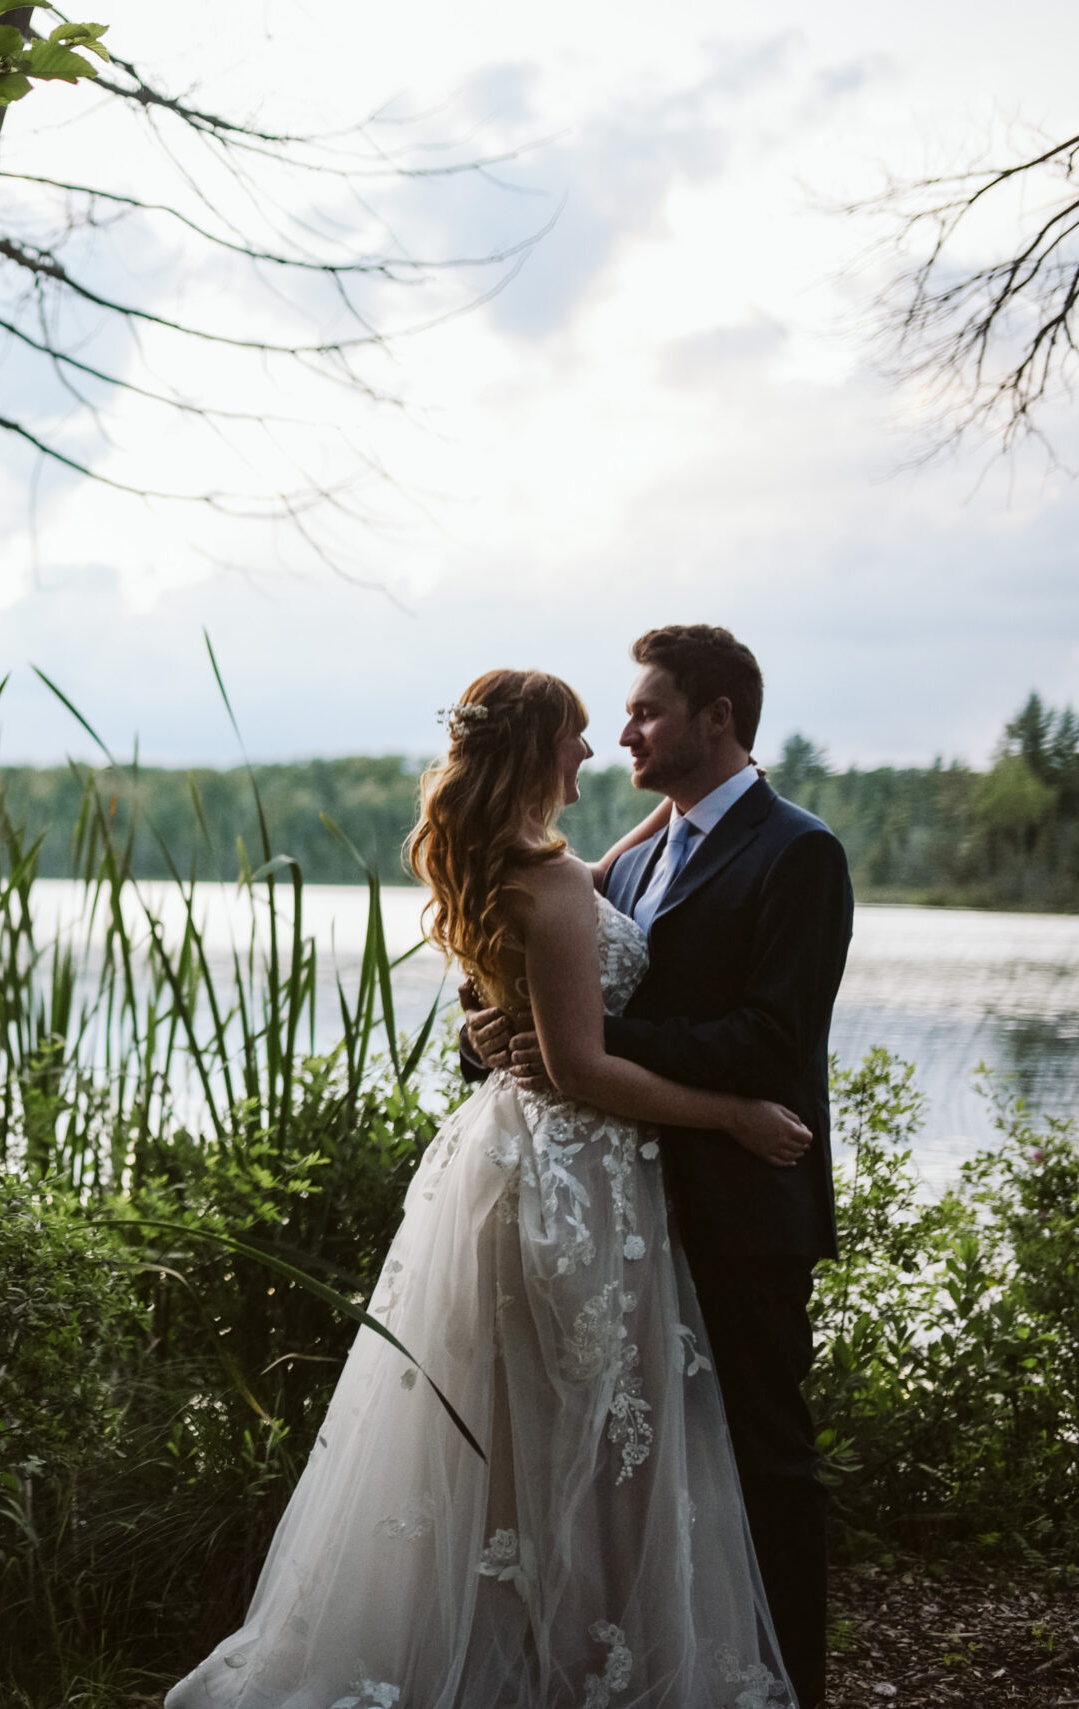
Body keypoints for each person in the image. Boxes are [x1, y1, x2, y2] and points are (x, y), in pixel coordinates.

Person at [168, 663, 805, 1709]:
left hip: (507, 1159)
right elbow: (585, 1065)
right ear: (536, 751)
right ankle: (568, 1661)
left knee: (516, 1428)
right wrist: (734, 1113)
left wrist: (667, 819)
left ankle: (523, 1650)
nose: (593, 753)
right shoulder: (546, 884)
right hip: (576, 1168)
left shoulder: (502, 866)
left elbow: (577, 901)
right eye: (577, 736)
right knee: (580, 1425)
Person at [463, 626, 852, 1707]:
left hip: (741, 1203)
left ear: (716, 718)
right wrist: (490, 1036)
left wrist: (580, 1052)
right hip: (621, 1217)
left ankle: (792, 1687)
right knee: (644, 1475)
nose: (622, 730)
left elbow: (769, 1038)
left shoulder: (797, 850)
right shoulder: (628, 855)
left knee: (764, 1457)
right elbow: (530, 987)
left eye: (644, 711)